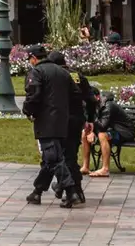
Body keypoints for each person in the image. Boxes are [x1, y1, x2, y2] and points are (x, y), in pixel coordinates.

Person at [22, 46, 81, 208]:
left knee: (54, 158)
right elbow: (76, 94)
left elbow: (33, 95)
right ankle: (37, 192)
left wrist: (28, 111)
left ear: (34, 58)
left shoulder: (37, 72)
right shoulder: (63, 72)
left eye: (30, 59)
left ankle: (70, 191)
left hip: (46, 122)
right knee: (51, 158)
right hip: (63, 121)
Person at [38, 51, 97, 204]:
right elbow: (91, 99)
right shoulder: (77, 76)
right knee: (69, 155)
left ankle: (68, 189)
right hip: (76, 120)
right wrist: (90, 120)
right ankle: (74, 189)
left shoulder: (54, 76)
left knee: (57, 157)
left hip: (58, 120)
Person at [81, 90, 135, 177]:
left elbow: (102, 126)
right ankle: (85, 167)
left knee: (102, 135)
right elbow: (87, 121)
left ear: (97, 97)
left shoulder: (108, 106)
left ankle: (105, 169)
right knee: (84, 133)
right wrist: (89, 131)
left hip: (124, 132)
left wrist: (92, 130)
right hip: (110, 130)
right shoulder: (91, 105)